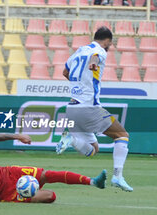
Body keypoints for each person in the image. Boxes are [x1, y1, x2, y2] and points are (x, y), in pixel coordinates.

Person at [56, 26, 133, 192]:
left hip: (72, 108)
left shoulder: (78, 51)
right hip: (89, 107)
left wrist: (80, 85)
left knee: (92, 150)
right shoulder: (100, 51)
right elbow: (95, 58)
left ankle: (72, 140)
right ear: (108, 42)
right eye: (110, 45)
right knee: (122, 136)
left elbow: (65, 71)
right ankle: (118, 176)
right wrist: (93, 64)